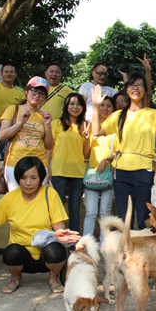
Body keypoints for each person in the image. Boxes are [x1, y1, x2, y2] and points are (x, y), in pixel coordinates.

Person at [0, 156, 80, 294]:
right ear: (18, 178)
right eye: (23, 178)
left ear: (40, 178)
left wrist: (60, 233)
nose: (28, 183)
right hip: (22, 256)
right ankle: (16, 276)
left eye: (33, 178)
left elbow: (58, 224)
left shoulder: (49, 194)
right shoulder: (10, 198)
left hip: (45, 255)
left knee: (56, 250)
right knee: (10, 253)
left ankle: (53, 276)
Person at [89, 72, 156, 228]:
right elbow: (96, 131)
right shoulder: (118, 115)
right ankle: (126, 245)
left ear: (145, 89)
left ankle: (145, 244)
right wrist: (96, 106)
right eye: (132, 85)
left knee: (144, 217)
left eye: (139, 85)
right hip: (121, 172)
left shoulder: (153, 114)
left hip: (145, 172)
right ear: (126, 89)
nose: (135, 88)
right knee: (124, 218)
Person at [0, 76, 54, 190]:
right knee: (15, 198)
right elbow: (3, 135)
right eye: (34, 91)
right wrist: (20, 123)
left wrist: (48, 125)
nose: (37, 95)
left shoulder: (44, 116)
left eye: (41, 94)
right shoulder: (13, 110)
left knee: (36, 199)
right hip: (15, 163)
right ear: (27, 91)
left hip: (39, 165)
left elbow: (49, 146)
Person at [49, 92, 88, 233]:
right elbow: (50, 147)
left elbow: (86, 154)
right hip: (58, 171)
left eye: (79, 104)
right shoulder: (56, 123)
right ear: (66, 106)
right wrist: (48, 168)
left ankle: (74, 240)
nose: (75, 107)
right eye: (72, 103)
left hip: (77, 173)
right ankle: (55, 237)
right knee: (57, 207)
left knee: (75, 208)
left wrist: (87, 138)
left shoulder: (84, 126)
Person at [82, 95, 116, 239]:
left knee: (105, 212)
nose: (105, 108)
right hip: (92, 173)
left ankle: (104, 244)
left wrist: (105, 159)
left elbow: (120, 152)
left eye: (109, 106)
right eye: (102, 105)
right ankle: (87, 244)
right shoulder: (91, 126)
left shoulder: (116, 127)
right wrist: (85, 139)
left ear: (113, 109)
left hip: (109, 173)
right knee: (90, 212)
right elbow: (86, 153)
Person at [0, 63, 24, 159]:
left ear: (15, 75)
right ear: (1, 74)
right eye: (6, 72)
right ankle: (1, 159)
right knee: (6, 136)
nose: (9, 74)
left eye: (11, 72)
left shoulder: (20, 94)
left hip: (14, 124)